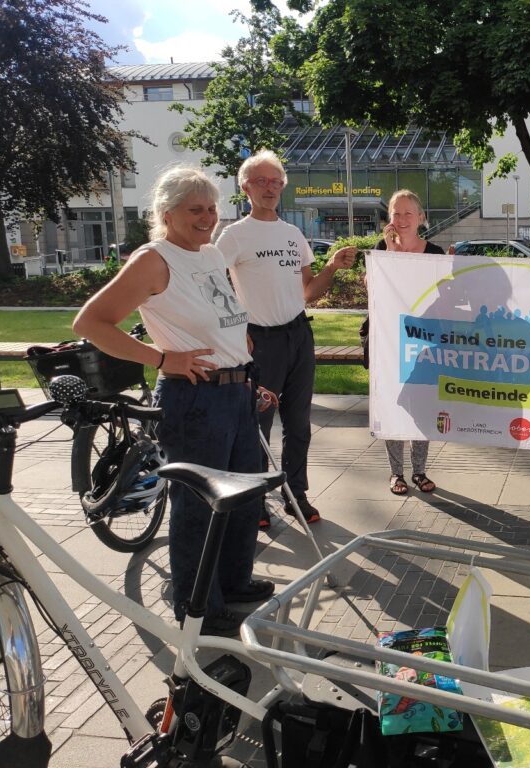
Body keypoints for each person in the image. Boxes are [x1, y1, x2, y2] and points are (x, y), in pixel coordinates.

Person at [73, 166, 276, 637]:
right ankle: (195, 603)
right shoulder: (154, 259)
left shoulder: (207, 253)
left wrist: (246, 374)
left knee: (245, 496)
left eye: (211, 209)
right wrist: (160, 357)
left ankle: (233, 582)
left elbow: (226, 322)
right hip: (195, 400)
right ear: (167, 213)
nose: (207, 218)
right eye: (194, 210)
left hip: (236, 392)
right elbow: (91, 323)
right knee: (199, 505)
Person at [216, 150, 356, 528]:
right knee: (258, 425)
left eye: (276, 181)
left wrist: (332, 267)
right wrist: (236, 329)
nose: (270, 188)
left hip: (298, 334)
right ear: (245, 186)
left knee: (299, 423)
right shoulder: (234, 235)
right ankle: (254, 499)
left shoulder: (293, 234)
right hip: (260, 340)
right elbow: (211, 283)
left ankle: (296, 493)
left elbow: (308, 292)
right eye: (261, 181)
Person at [371, 189, 444, 495]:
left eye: (408, 213)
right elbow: (372, 286)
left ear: (421, 218)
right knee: (392, 403)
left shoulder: (436, 254)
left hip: (424, 341)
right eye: (396, 213)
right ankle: (396, 473)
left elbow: (445, 297)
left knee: (423, 405)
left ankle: (419, 470)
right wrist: (389, 252)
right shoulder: (382, 249)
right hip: (389, 340)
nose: (401, 220)